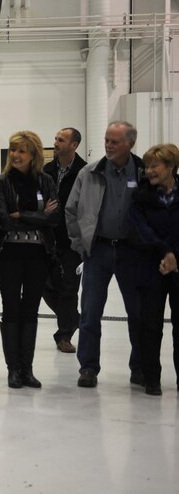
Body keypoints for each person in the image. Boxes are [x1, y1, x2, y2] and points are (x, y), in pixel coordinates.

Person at [65, 121, 144, 388]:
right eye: (107, 140)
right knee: (89, 313)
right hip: (97, 250)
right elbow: (71, 210)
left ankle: (140, 368)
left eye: (115, 141)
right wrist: (80, 244)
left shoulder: (143, 172)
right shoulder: (89, 172)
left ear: (130, 144)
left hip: (131, 253)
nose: (108, 146)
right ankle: (88, 367)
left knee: (139, 312)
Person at [0, 131, 60, 388]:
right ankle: (13, 371)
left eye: (22, 151)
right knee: (11, 308)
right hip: (8, 254)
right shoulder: (0, 182)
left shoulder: (46, 181)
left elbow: (54, 218)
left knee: (31, 310)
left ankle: (27, 369)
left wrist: (22, 213)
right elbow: (5, 220)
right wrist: (34, 216)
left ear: (34, 155)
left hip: (39, 255)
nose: (16, 155)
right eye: (12, 150)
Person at [129, 143, 179, 396]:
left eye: (154, 165)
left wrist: (174, 256)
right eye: (146, 166)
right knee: (150, 326)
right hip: (151, 267)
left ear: (170, 166)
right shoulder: (140, 196)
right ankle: (152, 379)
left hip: (176, 267)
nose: (149, 171)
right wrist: (166, 253)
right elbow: (141, 230)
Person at [42, 127, 87, 353]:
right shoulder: (47, 170)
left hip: (72, 240)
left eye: (61, 140)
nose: (56, 143)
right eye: (56, 138)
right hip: (48, 238)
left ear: (74, 145)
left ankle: (64, 336)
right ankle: (73, 317)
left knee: (69, 288)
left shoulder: (84, 172)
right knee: (45, 286)